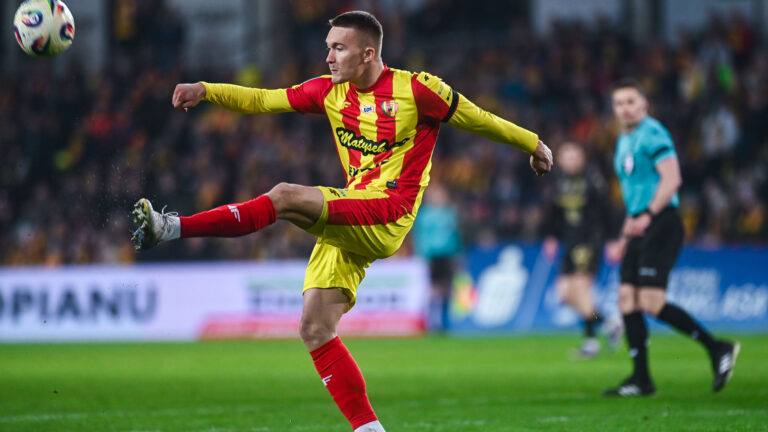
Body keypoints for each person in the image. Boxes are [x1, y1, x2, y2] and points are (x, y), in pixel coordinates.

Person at [130, 11, 553, 431]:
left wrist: (533, 144)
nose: (328, 57)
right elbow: (264, 99)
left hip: (389, 211)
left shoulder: (417, 90)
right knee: (314, 327)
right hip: (354, 210)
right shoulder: (329, 93)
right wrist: (206, 89)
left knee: (284, 196)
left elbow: (478, 118)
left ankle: (171, 227)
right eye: (328, 47)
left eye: (338, 48)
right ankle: (370, 430)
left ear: (368, 54)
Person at [603, 79, 738, 397]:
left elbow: (672, 179)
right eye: (619, 103)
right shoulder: (624, 140)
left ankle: (717, 347)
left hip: (661, 222)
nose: (625, 108)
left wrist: (648, 215)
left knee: (650, 302)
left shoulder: (652, 133)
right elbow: (634, 195)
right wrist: (625, 235)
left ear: (644, 105)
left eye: (631, 102)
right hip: (638, 224)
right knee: (626, 299)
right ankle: (641, 379)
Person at [542, 142, 619, 358]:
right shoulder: (559, 182)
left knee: (580, 290)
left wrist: (613, 240)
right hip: (569, 241)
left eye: (574, 157)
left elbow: (608, 211)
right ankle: (608, 323)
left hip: (589, 240)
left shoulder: (592, 181)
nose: (570, 161)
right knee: (565, 293)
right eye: (566, 157)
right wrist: (551, 237)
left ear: (582, 158)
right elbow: (554, 214)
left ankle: (590, 341)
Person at [411, 182, 462, 332]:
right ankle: (432, 321)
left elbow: (456, 235)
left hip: (448, 253)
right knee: (434, 288)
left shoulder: (450, 213)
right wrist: (422, 254)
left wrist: (458, 253)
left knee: (447, 288)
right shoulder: (424, 215)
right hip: (432, 254)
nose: (439, 197)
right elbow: (419, 236)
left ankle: (445, 321)